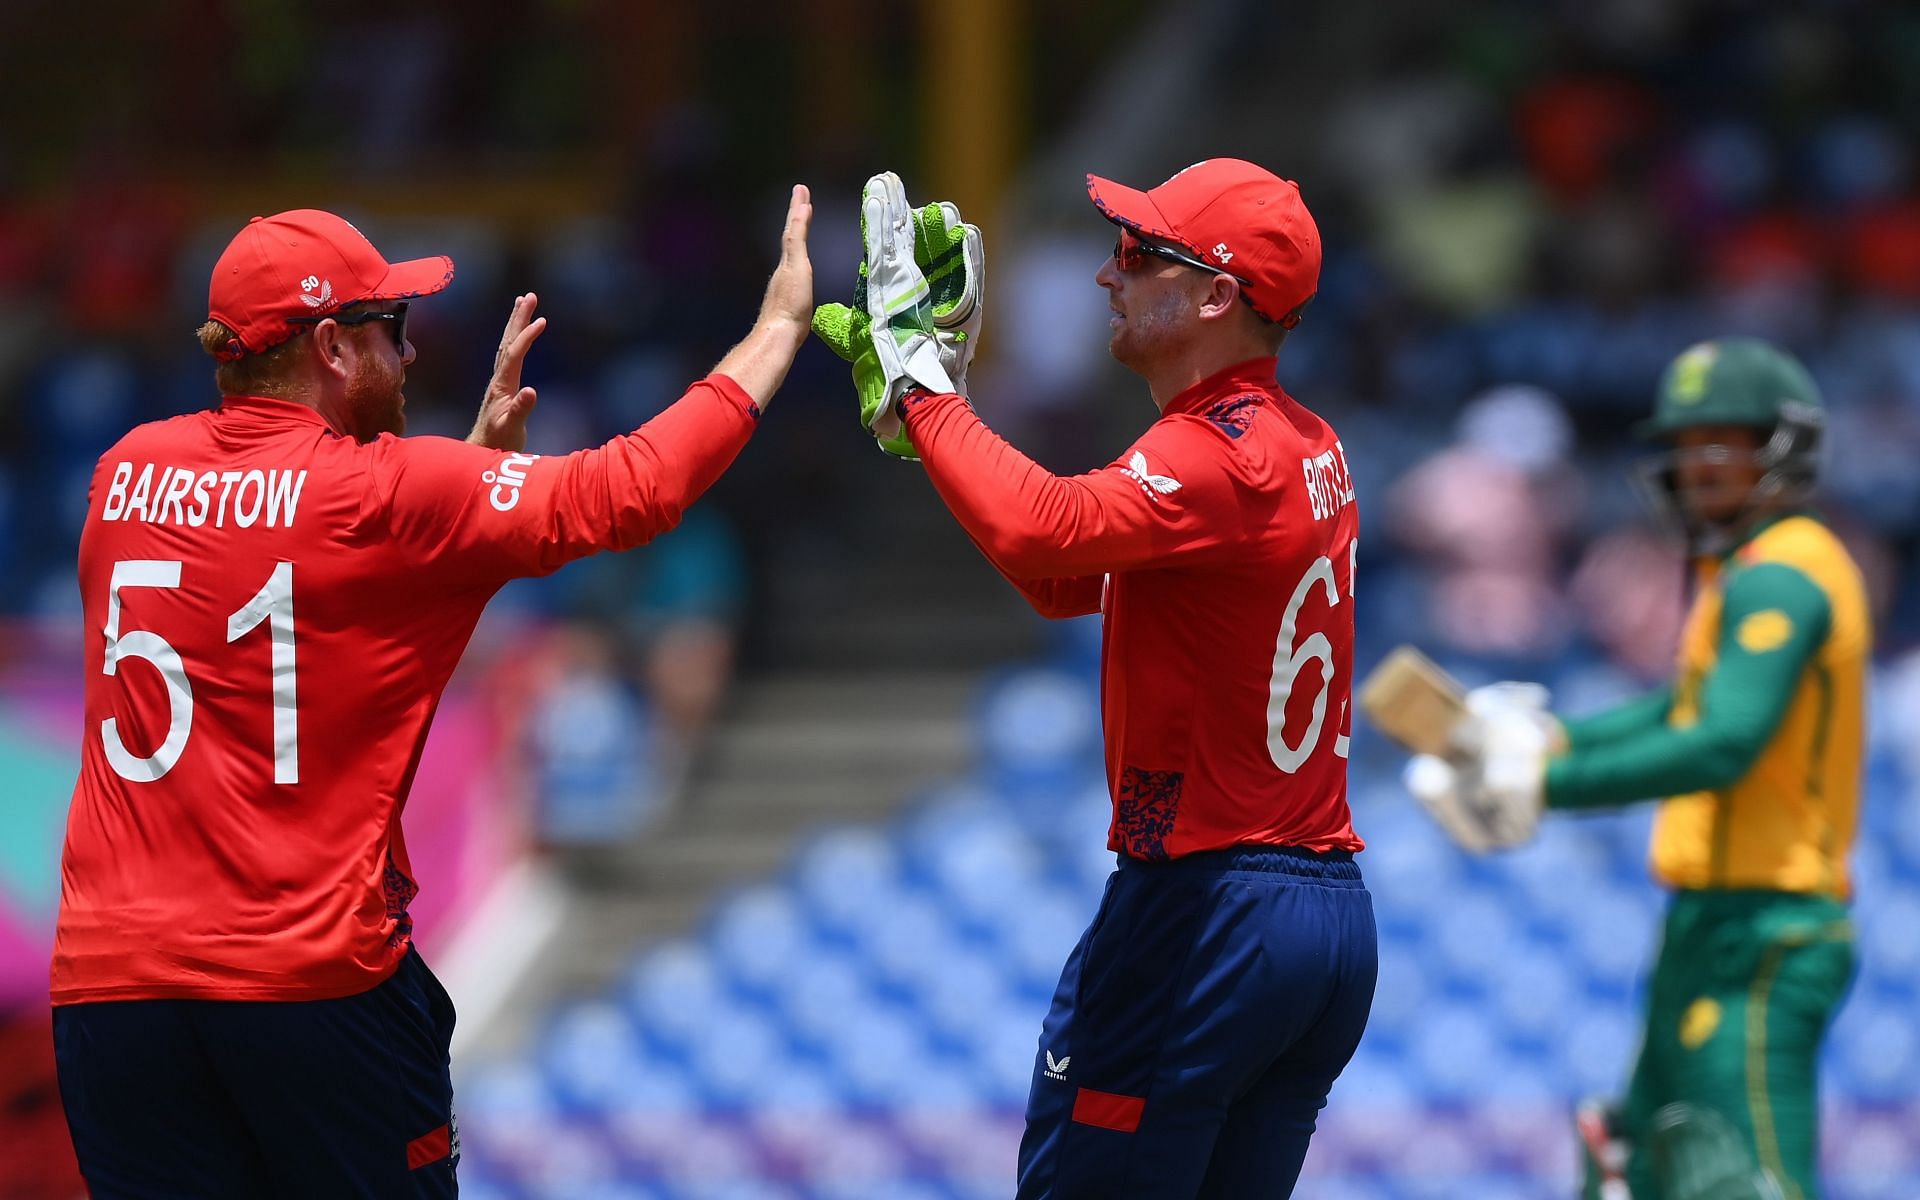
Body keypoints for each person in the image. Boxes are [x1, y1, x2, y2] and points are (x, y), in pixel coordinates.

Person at [50, 191, 815, 1198]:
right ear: (330, 345)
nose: (411, 357)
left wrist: (469, 486)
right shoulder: (393, 493)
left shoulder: (122, 474)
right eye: (392, 329)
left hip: (114, 991)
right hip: (304, 984)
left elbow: (290, 591)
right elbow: (633, 490)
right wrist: (777, 328)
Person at [824, 162, 1377, 1198]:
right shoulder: (1306, 441)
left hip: (1206, 905)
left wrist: (925, 384)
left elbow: (1045, 536)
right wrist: (936, 425)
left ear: (1216, 294)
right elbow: (1066, 579)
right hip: (1321, 919)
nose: (1104, 276)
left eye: (1139, 253)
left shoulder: (1219, 453)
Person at [1408, 339, 1866, 1200]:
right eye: (1688, 446)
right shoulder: (1738, 571)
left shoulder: (1786, 575)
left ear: (1786, 446)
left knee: (1744, 1180)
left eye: (1724, 442)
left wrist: (1543, 787)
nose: (1698, 467)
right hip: (1711, 921)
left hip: (1768, 929)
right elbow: (1676, 712)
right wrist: (1552, 739)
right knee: (1641, 1169)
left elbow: (1722, 743)